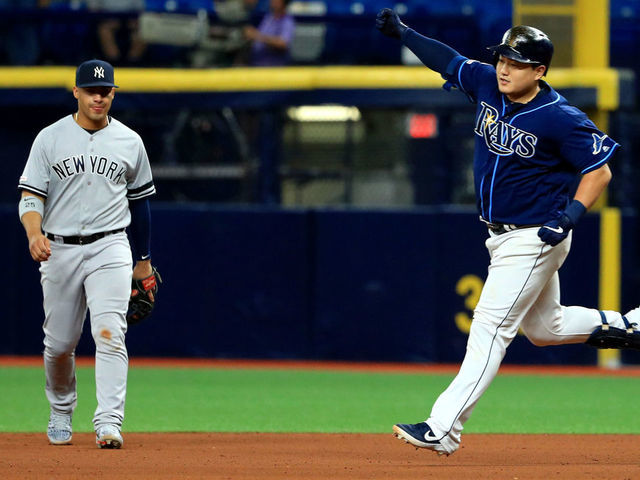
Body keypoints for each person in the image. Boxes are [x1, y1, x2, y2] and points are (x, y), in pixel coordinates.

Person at [376, 9, 640, 456]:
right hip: (500, 236)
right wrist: (404, 33)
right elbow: (447, 60)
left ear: (538, 70)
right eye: (502, 58)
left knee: (490, 326)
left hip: (536, 235)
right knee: (545, 327)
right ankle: (632, 325)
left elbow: (600, 172)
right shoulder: (485, 83)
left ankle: (444, 427)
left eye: (516, 62)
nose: (504, 67)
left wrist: (570, 216)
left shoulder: (559, 116)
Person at [18, 59, 156, 449]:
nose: (99, 96)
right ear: (76, 92)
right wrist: (33, 232)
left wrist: (142, 259)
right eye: (91, 90)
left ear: (113, 93)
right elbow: (30, 197)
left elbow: (141, 203)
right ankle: (61, 408)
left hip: (110, 246)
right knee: (59, 344)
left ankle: (109, 422)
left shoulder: (130, 141)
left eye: (106, 90)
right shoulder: (50, 138)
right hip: (58, 248)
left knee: (110, 333)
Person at [244, 0, 295, 66]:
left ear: (283, 3)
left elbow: (283, 43)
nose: (273, 2)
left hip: (273, 66)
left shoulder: (287, 21)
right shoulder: (268, 18)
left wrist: (257, 36)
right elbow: (258, 36)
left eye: (277, 1)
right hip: (257, 62)